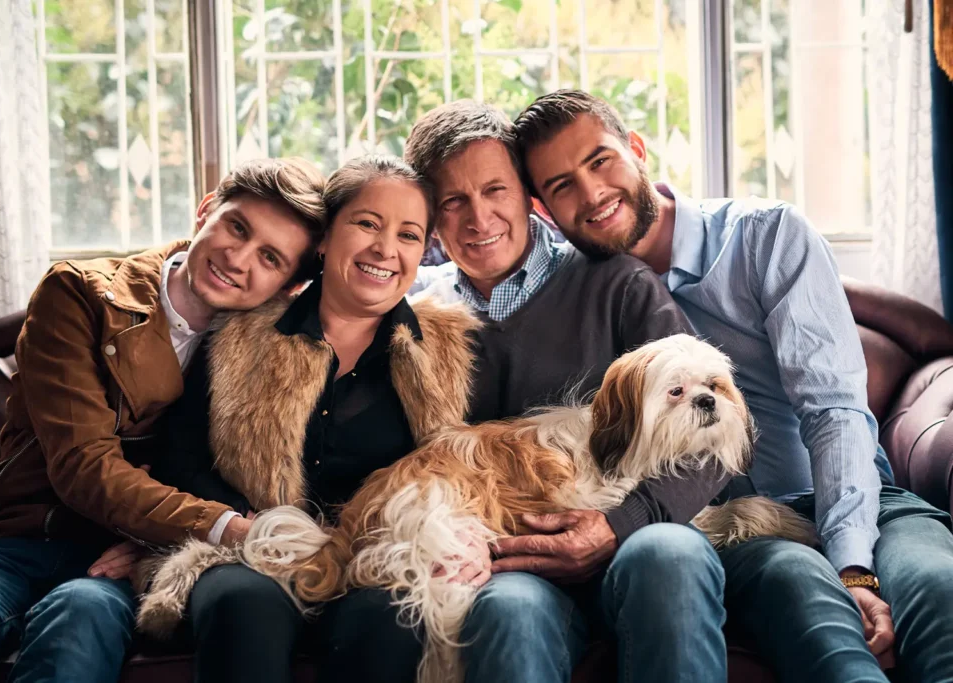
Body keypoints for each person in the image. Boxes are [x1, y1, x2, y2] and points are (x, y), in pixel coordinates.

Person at [514, 88, 953, 683]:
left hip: (861, 500)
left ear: (637, 150)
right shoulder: (579, 296)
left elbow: (833, 409)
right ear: (544, 210)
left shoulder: (765, 236)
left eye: (600, 161)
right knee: (812, 609)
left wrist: (852, 562)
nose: (592, 194)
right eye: (562, 185)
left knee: (938, 587)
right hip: (734, 526)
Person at [0, 159, 328, 683]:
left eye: (270, 258)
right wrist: (227, 529)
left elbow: (261, 471)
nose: (238, 258)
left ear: (288, 288)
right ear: (206, 210)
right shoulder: (81, 293)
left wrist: (167, 544)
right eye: (237, 227)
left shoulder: (272, 348)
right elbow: (82, 465)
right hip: (11, 537)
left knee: (79, 622)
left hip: (122, 560)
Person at [405, 100, 732, 683]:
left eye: (496, 191)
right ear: (430, 218)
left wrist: (619, 525)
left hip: (633, 544)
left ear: (530, 199)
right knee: (508, 610)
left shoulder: (616, 284)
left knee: (671, 556)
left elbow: (716, 432)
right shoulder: (414, 317)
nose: (479, 218)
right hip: (512, 564)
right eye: (452, 201)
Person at [150, 154, 481, 683]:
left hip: (381, 565)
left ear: (423, 253)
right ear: (325, 238)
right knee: (239, 602)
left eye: (409, 235)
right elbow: (179, 459)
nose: (385, 249)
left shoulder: (453, 351)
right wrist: (253, 529)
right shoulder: (239, 333)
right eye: (367, 223)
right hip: (252, 557)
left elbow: (474, 473)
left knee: (394, 615)